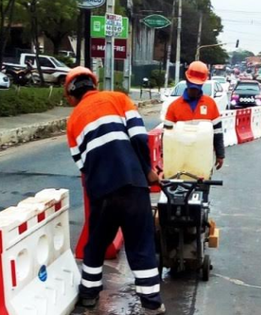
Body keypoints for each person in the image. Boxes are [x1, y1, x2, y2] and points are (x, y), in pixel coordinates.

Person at [65, 67, 165, 315]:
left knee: (96, 244)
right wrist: (148, 170)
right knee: (140, 243)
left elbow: (83, 165)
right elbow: (140, 138)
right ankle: (151, 303)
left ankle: (88, 296)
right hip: (132, 184)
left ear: (71, 95)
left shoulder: (73, 121)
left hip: (101, 191)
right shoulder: (119, 99)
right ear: (94, 85)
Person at [164, 61, 225, 170]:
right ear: (187, 81)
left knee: (202, 184)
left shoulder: (210, 104)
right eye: (192, 87)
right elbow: (167, 135)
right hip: (179, 158)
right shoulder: (174, 106)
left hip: (202, 157)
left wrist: (220, 155)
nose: (194, 90)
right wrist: (166, 157)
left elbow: (217, 131)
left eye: (197, 87)